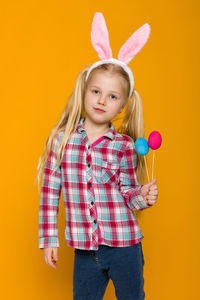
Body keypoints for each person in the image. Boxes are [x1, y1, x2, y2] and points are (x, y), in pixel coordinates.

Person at [36, 12, 159, 300]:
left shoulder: (124, 146)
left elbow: (128, 193)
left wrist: (144, 195)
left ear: (122, 107)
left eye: (112, 96)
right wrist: (49, 238)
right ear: (85, 91)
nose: (102, 100)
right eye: (96, 91)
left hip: (125, 246)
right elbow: (49, 192)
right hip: (84, 251)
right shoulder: (62, 139)